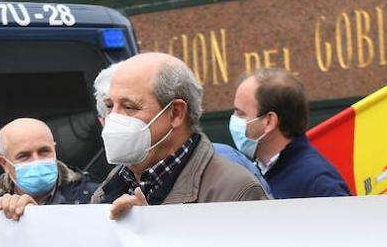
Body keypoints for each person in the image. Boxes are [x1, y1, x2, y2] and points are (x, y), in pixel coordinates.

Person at [93, 52, 268, 218]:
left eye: (129, 107)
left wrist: (149, 230)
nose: (113, 118)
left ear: (175, 113)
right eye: (109, 106)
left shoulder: (235, 191)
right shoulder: (107, 190)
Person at [231, 67, 350, 198]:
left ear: (269, 121)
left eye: (240, 114)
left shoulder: (318, 183)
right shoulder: (257, 172)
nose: (234, 119)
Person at [0, 117, 98, 220]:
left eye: (44, 151)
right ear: (4, 163)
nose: (36, 161)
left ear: (54, 150)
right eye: (24, 156)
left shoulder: (95, 196)